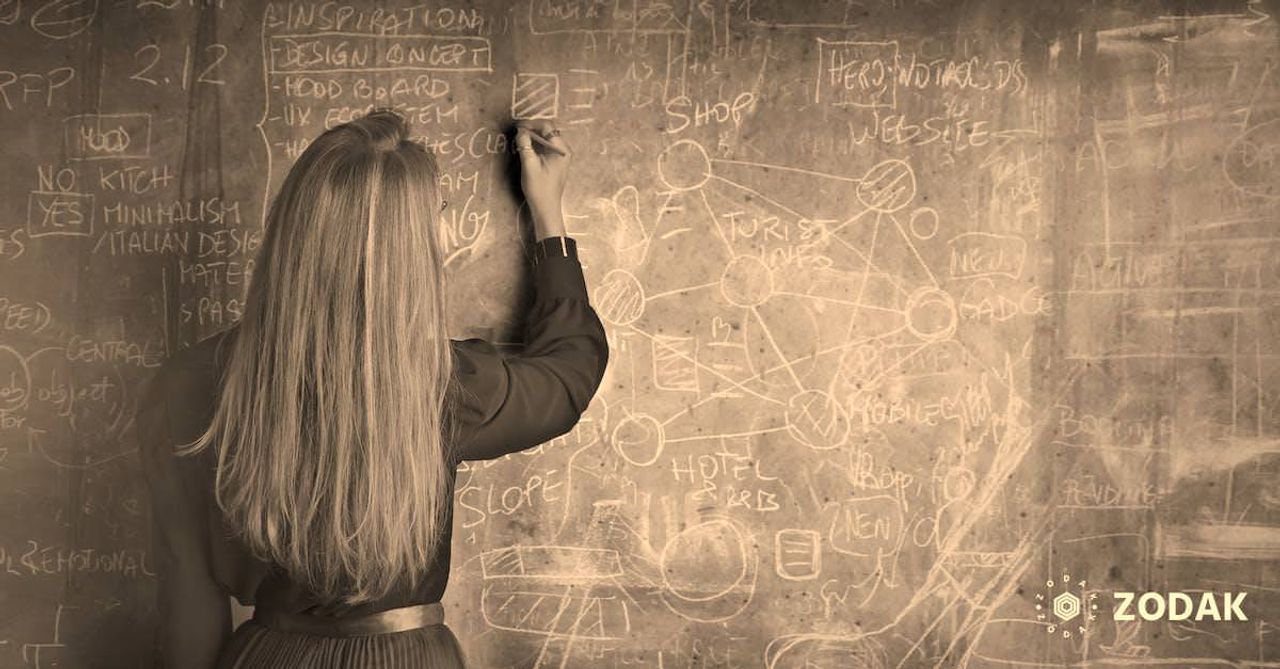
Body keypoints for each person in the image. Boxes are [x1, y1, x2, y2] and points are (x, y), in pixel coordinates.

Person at [134, 109, 609, 668]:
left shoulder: (186, 383)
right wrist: (549, 216)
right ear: (408, 248)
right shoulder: (446, 385)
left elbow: (188, 602)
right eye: (438, 215)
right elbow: (568, 374)